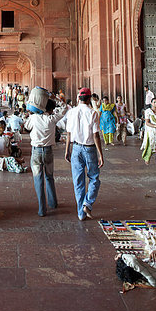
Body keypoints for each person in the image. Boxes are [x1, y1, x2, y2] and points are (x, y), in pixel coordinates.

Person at [65, 87, 104, 220]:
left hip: (75, 148)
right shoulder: (93, 113)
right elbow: (96, 135)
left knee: (78, 181)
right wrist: (101, 154)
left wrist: (67, 150)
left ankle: (81, 214)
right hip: (89, 148)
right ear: (89, 99)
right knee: (94, 178)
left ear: (78, 98)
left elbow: (68, 133)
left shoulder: (71, 112)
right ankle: (88, 203)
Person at [24, 97, 67, 217]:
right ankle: (53, 203)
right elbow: (64, 108)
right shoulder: (52, 119)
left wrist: (30, 113)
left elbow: (26, 127)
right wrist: (57, 98)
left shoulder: (34, 118)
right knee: (49, 177)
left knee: (39, 179)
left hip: (36, 152)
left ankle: (42, 209)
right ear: (52, 109)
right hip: (48, 151)